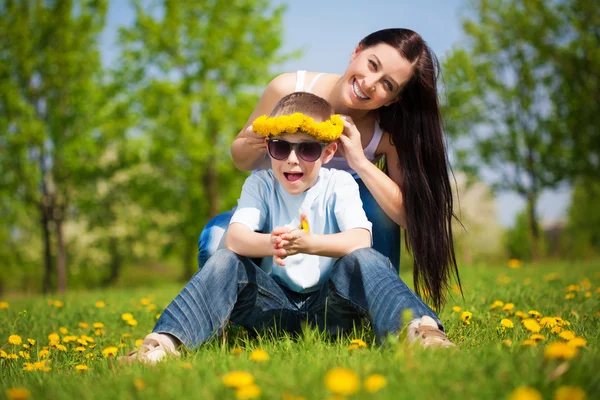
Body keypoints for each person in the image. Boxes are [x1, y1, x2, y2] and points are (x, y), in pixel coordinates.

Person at [121, 92, 453, 364]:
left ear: (328, 152)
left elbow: (360, 238)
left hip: (331, 309)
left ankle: (419, 331)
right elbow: (235, 238)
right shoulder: (260, 183)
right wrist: (271, 244)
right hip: (269, 307)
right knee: (224, 260)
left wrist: (310, 244)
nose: (292, 159)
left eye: (307, 148)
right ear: (269, 149)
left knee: (365, 260)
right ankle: (162, 344)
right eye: (281, 147)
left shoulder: (338, 183)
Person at [198, 28, 461, 312]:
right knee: (214, 239)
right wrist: (253, 142)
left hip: (338, 229)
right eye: (372, 64)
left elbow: (410, 217)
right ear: (357, 50)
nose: (370, 83)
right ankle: (241, 310)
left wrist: (359, 161)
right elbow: (240, 159)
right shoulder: (286, 89)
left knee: (376, 202)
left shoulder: (386, 133)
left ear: (393, 99)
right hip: (273, 213)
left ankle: (375, 305)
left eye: (387, 84)